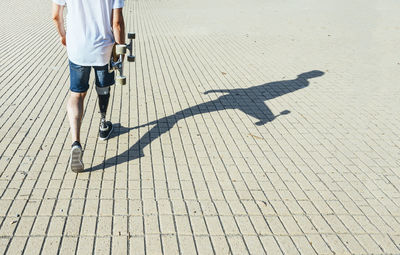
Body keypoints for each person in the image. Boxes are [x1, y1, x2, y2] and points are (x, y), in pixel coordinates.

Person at [52, 0, 125, 172]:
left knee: (77, 94)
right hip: (103, 48)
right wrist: (121, 49)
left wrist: (64, 36)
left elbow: (56, 16)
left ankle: (75, 141)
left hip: (77, 47)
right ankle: (103, 124)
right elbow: (117, 23)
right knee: (103, 88)